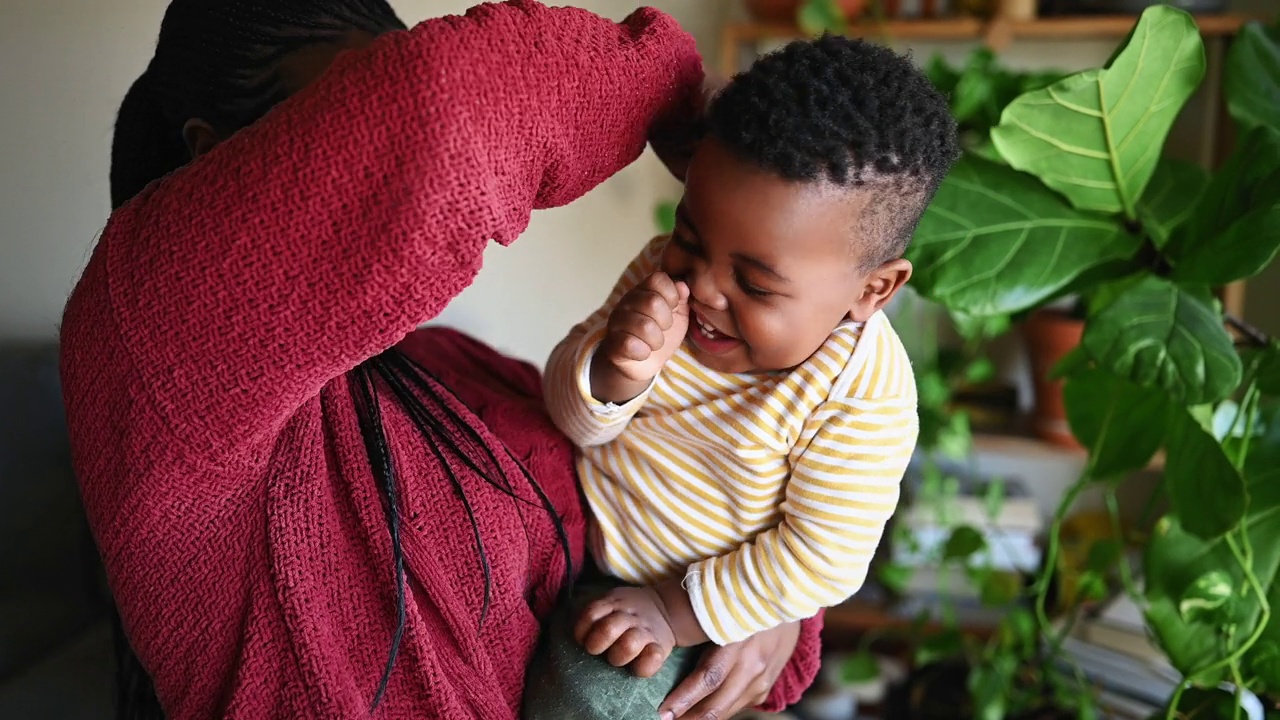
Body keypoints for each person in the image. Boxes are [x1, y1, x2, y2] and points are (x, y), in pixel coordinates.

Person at [57, 1, 828, 718]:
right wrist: (683, 97)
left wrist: (777, 608)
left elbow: (668, 482)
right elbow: (439, 108)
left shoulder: (452, 365)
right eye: (341, 116)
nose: (370, 145)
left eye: (365, 103)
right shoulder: (146, 352)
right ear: (215, 162)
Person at [534, 35, 960, 715]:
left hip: (690, 607)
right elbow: (567, 411)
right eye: (690, 239)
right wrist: (616, 371)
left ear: (872, 291)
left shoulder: (862, 395)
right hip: (578, 524)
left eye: (756, 286)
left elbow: (821, 560)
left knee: (587, 697)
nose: (702, 288)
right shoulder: (658, 276)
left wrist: (672, 613)